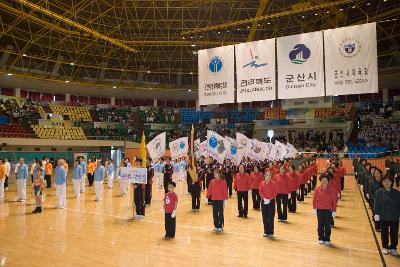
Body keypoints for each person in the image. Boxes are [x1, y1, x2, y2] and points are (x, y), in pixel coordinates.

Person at [374, 175, 400, 256]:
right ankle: (385, 247)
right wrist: (377, 213)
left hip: (394, 217)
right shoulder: (378, 192)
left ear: (392, 182)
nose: (386, 182)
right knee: (384, 233)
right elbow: (376, 204)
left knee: (394, 234)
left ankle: (393, 248)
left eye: (388, 181)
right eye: (384, 181)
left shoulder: (397, 193)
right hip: (383, 217)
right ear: (382, 182)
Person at [313, 173, 337, 245]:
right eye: (323, 180)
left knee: (327, 225)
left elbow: (334, 201)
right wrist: (314, 208)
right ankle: (320, 237)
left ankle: (327, 238)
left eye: (326, 180)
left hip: (328, 210)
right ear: (320, 181)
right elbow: (314, 200)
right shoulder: (317, 189)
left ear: (328, 181)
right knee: (320, 224)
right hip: (319, 209)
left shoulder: (332, 190)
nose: (324, 181)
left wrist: (334, 210)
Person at [259, 171, 277, 239]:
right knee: (265, 217)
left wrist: (270, 199)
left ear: (271, 176)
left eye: (269, 175)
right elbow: (260, 192)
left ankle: (271, 232)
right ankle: (266, 231)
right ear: (264, 176)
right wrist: (264, 198)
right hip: (264, 202)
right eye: (267, 175)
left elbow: (275, 192)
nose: (268, 176)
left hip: (271, 202)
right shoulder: (261, 183)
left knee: (271, 217)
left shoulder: (274, 183)